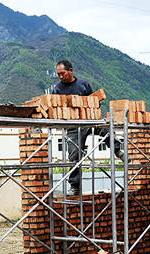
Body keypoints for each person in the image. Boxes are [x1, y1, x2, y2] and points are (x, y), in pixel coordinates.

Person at [52, 60, 125, 196]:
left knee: (106, 129)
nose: (61, 77)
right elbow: (55, 109)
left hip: (89, 121)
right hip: (73, 125)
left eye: (62, 73)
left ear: (71, 71)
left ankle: (118, 151)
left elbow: (93, 102)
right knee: (74, 154)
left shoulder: (83, 85)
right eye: (58, 74)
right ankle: (75, 187)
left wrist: (95, 103)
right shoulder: (57, 89)